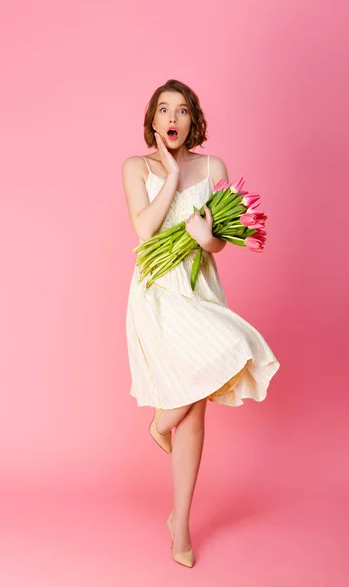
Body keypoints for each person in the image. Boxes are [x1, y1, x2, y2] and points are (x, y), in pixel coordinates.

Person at [122, 79, 280, 567]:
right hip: (156, 293)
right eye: (164, 110)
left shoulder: (214, 168)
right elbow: (144, 230)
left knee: (219, 367)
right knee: (194, 401)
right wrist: (169, 174)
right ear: (153, 119)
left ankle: (179, 514)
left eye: (183, 111)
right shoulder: (135, 167)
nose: (173, 118)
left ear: (194, 121)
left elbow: (218, 248)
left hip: (200, 292)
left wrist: (205, 234)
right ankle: (182, 529)